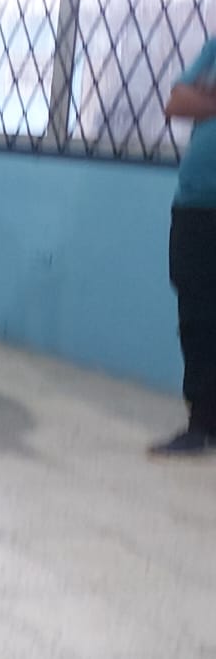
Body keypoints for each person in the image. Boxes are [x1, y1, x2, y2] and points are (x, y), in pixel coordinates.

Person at [153, 37, 216, 457]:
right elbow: (176, 103)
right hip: (194, 204)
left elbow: (191, 101)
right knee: (195, 317)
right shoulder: (215, 48)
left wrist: (206, 98)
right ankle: (202, 423)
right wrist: (195, 98)